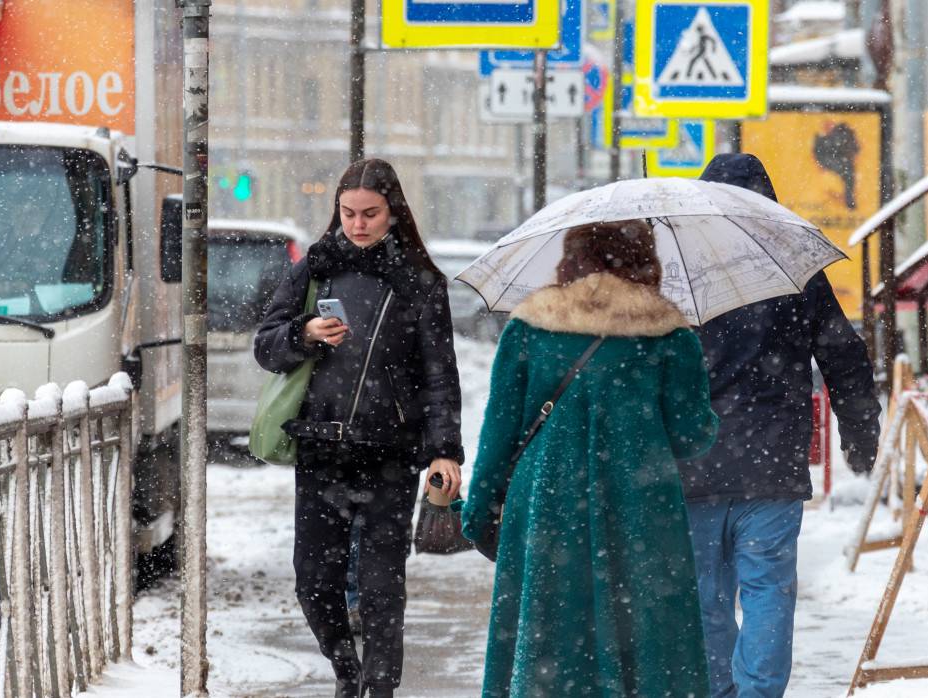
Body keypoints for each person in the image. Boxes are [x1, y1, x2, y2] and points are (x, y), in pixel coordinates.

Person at [462, 220, 719, 697]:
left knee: (549, 641)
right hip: (641, 510)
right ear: (646, 260)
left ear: (571, 258)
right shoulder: (668, 335)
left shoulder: (530, 329)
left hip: (546, 507)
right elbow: (691, 436)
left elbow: (499, 430)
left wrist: (479, 511)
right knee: (646, 640)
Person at [254, 158, 464, 698]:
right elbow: (266, 345)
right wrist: (305, 333)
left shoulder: (420, 282)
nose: (358, 224)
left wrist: (446, 451)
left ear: (393, 212)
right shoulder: (316, 269)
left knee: (380, 587)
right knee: (314, 584)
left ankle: (381, 688)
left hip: (389, 453)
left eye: (370, 213)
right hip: (321, 449)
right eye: (347, 213)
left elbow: (440, 374)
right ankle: (348, 674)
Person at [681, 153, 882, 698]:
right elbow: (845, 358)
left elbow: (642, 368)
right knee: (769, 589)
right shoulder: (793, 274)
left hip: (692, 464)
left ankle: (718, 690)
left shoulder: (678, 275)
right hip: (772, 464)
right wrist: (861, 434)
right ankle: (758, 694)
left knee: (704, 596)